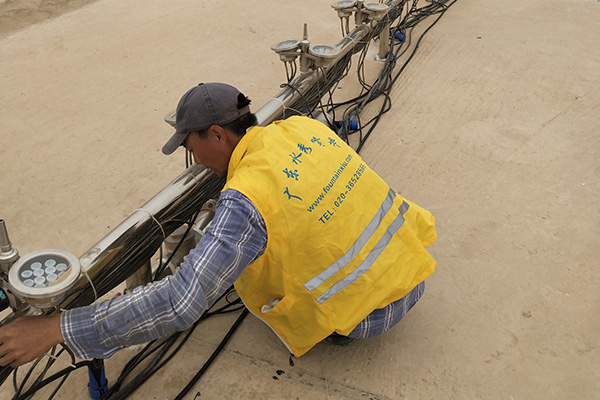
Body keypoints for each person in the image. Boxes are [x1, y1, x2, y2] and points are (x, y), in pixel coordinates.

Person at [0, 82, 436, 366]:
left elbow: (179, 302)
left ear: (216, 135)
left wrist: (56, 327)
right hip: (411, 269)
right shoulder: (302, 127)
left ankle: (337, 331)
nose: (195, 163)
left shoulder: (246, 200)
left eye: (191, 150)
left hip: (369, 315)